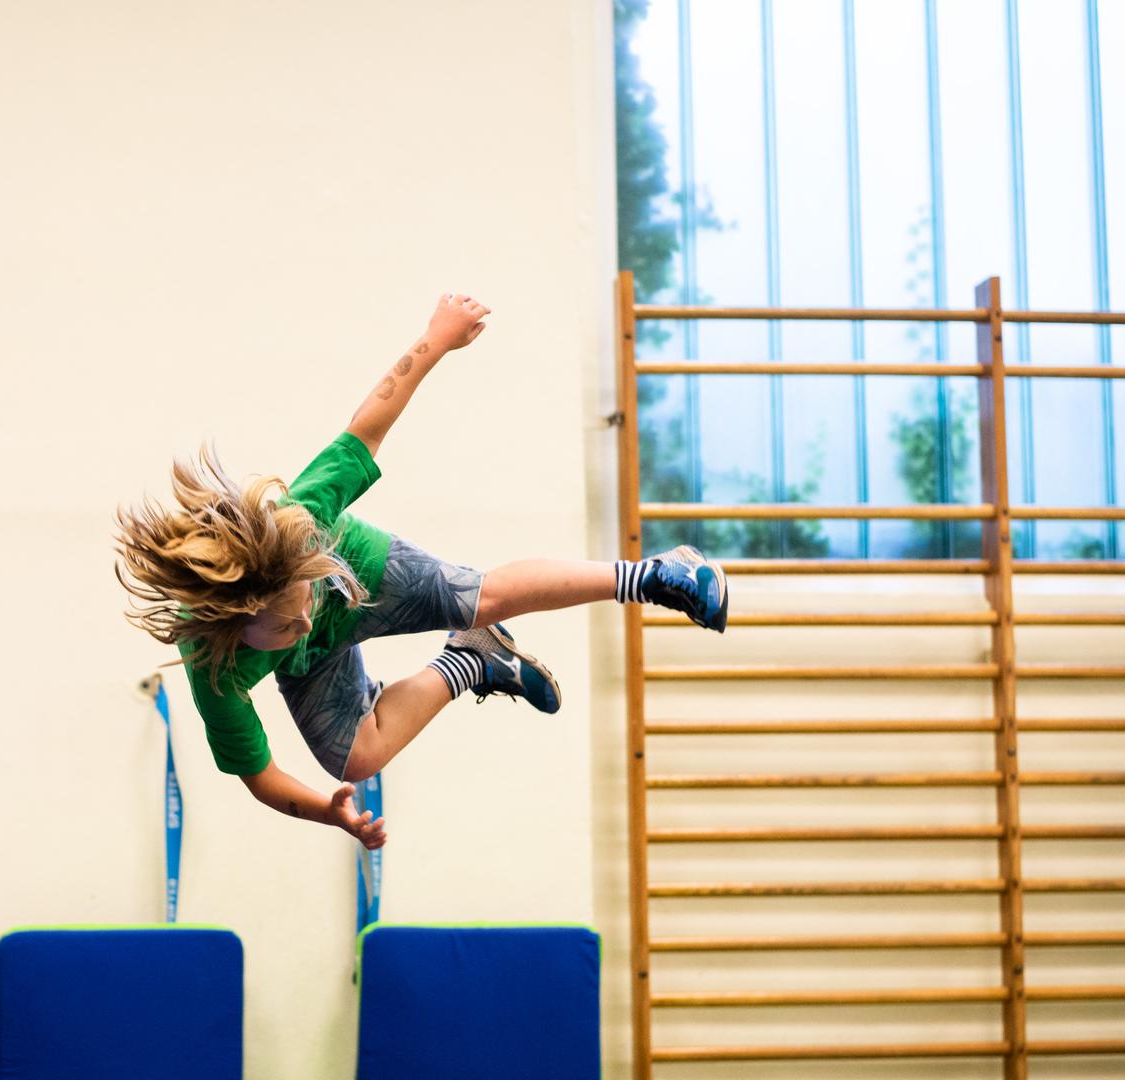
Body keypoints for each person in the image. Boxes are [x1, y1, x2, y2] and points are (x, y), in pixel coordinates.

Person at [115, 293, 727, 850]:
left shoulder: (301, 520)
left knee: (482, 598)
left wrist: (436, 338)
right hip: (310, 665)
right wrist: (329, 813)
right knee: (355, 757)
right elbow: (261, 776)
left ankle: (653, 575)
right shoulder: (215, 674)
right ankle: (473, 662)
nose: (304, 619)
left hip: (358, 571)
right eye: (284, 623)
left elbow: (368, 426)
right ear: (238, 620)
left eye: (302, 603)